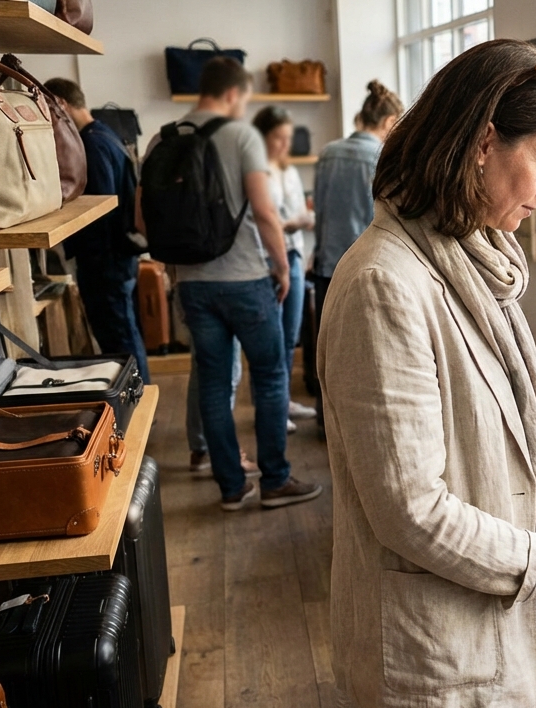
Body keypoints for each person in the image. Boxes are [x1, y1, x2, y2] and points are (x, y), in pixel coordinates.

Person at [317, 41, 536, 708]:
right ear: (484, 144)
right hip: (442, 670)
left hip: (481, 646)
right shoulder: (386, 285)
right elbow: (412, 510)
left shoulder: (466, 259)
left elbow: (486, 447)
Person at [140, 56, 321, 510]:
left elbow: (143, 221)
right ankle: (275, 481)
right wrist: (282, 267)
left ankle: (232, 488)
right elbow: (264, 212)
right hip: (246, 281)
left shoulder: (162, 139)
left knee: (214, 384)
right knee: (271, 376)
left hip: (192, 285)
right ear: (234, 93)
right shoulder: (241, 136)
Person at [308, 80, 402, 436]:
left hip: (326, 263)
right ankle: (356, 431)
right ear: (389, 121)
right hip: (364, 268)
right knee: (364, 356)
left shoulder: (328, 153)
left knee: (328, 351)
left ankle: (325, 421)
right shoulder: (381, 159)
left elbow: (318, 210)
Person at [42, 78, 151, 384]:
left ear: (61, 103)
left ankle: (139, 398)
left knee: (121, 342)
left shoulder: (91, 143)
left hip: (105, 262)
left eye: (47, 108)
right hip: (115, 258)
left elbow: (100, 208)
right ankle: (139, 395)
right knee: (125, 336)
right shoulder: (106, 134)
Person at [252, 106, 316, 433]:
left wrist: (298, 223)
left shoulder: (288, 171)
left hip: (295, 254)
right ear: (262, 136)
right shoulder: (256, 170)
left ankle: (284, 401)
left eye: (288, 138)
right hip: (268, 258)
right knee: (273, 339)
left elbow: (300, 214)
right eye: (279, 137)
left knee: (291, 336)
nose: (284, 144)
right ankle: (272, 409)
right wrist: (292, 223)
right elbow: (265, 219)